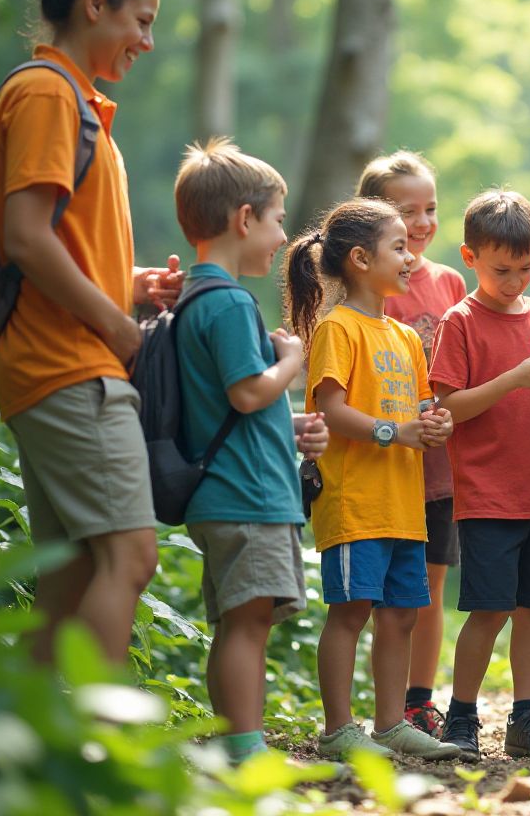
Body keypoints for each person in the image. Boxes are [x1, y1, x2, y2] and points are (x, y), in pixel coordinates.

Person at [0, 0, 182, 666]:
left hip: (59, 361)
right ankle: (100, 727)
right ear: (95, 3)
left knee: (68, 579)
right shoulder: (47, 94)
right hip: (69, 366)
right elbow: (26, 238)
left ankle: (31, 728)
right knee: (130, 556)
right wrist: (120, 328)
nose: (147, 41)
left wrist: (131, 287)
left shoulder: (78, 102)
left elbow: (56, 246)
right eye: (142, 21)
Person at [283, 199, 460, 762]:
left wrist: (434, 422)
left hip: (403, 504)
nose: (410, 258)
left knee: (401, 614)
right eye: (399, 247)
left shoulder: (404, 336)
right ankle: (339, 729)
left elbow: (422, 406)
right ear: (360, 259)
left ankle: (389, 726)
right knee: (352, 612)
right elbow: (330, 410)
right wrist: (395, 432)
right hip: (354, 502)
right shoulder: (337, 329)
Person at [172, 139, 328, 765]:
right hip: (247, 494)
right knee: (248, 623)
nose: (282, 236)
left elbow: (225, 405)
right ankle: (245, 750)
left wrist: (288, 426)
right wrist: (291, 361)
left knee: (239, 622)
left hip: (222, 489)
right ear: (244, 219)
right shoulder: (232, 302)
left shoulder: (191, 297)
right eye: (277, 220)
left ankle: (238, 742)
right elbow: (245, 392)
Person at [430, 189, 530, 761]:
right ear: (470, 258)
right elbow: (449, 407)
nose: (515, 281)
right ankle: (461, 717)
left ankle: (526, 717)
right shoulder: (460, 321)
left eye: (525, 268)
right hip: (488, 496)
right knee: (489, 610)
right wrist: (512, 378)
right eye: (501, 270)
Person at [356, 151, 467, 738]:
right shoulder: (366, 286)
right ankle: (384, 703)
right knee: (381, 593)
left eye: (430, 209)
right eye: (407, 212)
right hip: (382, 462)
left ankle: (418, 702)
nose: (422, 223)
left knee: (430, 585)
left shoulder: (449, 282)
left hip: (440, 465)